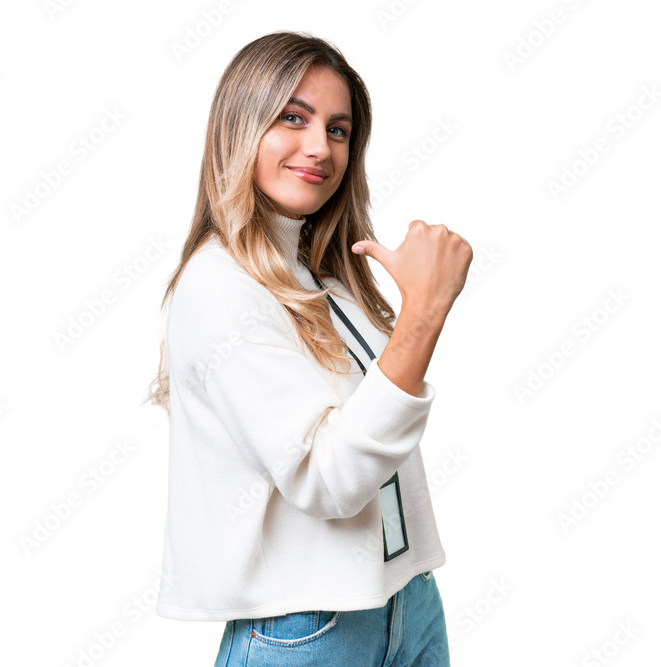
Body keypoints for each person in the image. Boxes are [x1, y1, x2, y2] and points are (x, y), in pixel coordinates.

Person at [143, 30, 472, 666]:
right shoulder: (219, 285)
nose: (320, 148)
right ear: (240, 127)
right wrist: (424, 316)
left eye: (339, 129)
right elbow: (329, 480)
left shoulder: (319, 274)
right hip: (311, 631)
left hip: (407, 602)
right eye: (293, 118)